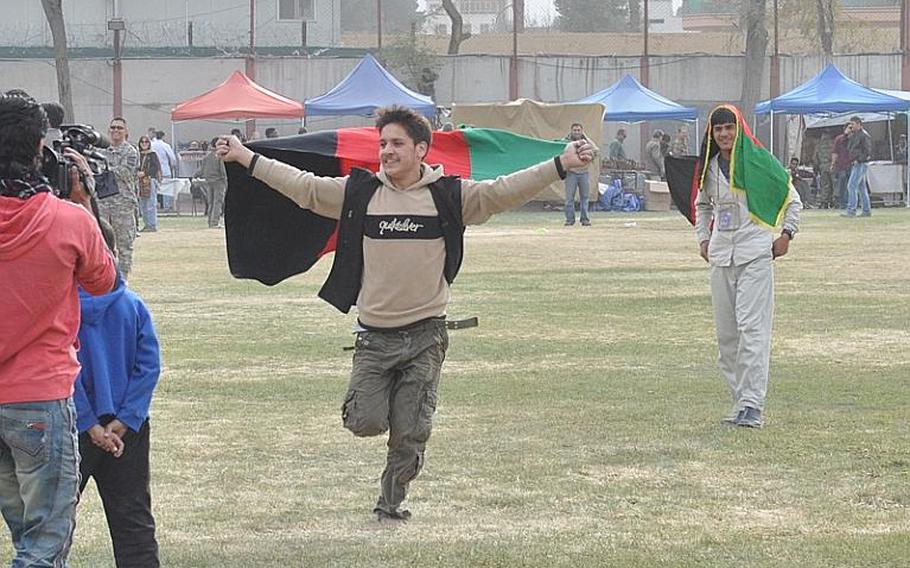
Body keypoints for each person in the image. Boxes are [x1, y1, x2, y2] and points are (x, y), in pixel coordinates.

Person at [216, 105, 594, 524]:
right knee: (364, 421)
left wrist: (561, 164)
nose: (387, 151)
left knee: (411, 432)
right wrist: (246, 157)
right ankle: (391, 407)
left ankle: (390, 502)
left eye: (396, 143)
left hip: (426, 337)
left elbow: (504, 191)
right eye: (382, 144)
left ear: (421, 149)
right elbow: (303, 186)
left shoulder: (450, 197)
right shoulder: (359, 193)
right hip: (374, 338)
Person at [0, 90, 117, 566]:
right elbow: (105, 279)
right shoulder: (68, 220)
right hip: (39, 394)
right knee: (44, 544)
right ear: (37, 149)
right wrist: (82, 198)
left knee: (27, 538)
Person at [694, 105, 802, 429]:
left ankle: (753, 404)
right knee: (727, 336)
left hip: (755, 254)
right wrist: (702, 239)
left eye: (729, 128)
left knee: (752, 331)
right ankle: (739, 402)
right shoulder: (709, 169)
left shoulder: (759, 161)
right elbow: (701, 206)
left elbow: (792, 198)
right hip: (721, 256)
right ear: (712, 134)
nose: (724, 134)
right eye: (718, 130)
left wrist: (786, 234)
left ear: (739, 129)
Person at [74, 273, 161, 568]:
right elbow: (149, 365)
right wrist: (128, 416)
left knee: (54, 520)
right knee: (133, 519)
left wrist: (88, 422)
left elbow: (61, 368)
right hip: (127, 430)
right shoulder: (133, 304)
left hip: (75, 426)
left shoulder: (60, 309)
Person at [100, 117, 141, 278]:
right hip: (102, 204)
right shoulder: (101, 151)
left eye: (119, 128)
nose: (116, 131)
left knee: (124, 245)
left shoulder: (130, 151)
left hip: (122, 205)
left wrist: (103, 170)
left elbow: (124, 172)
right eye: (113, 128)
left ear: (126, 131)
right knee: (101, 244)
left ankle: (122, 279)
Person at [563, 122, 598, 226]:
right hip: (571, 173)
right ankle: (570, 220)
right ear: (571, 131)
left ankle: (585, 219)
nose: (577, 132)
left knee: (585, 198)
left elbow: (596, 150)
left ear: (582, 131)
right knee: (569, 198)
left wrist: (586, 138)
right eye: (575, 130)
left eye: (579, 130)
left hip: (584, 173)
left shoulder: (586, 142)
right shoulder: (566, 142)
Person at [194, 137, 227, 228]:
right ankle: (215, 222)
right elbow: (222, 170)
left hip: (208, 181)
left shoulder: (207, 156)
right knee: (218, 202)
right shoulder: (219, 156)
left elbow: (201, 169)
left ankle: (210, 221)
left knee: (211, 202)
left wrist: (195, 176)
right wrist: (225, 180)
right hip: (218, 181)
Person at [843, 115, 872, 217]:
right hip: (856, 163)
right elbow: (846, 145)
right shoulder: (854, 135)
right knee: (861, 187)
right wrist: (846, 135)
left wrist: (858, 159)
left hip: (860, 163)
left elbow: (867, 151)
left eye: (853, 124)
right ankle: (866, 210)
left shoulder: (864, 135)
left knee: (851, 186)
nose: (851, 126)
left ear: (859, 124)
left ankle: (851, 210)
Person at [137, 135, 162, 233]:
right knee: (143, 204)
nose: (144, 144)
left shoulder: (152, 154)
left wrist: (145, 173)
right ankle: (146, 224)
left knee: (151, 203)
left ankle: (152, 224)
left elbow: (155, 168)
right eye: (142, 142)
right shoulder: (138, 154)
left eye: (146, 142)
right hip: (140, 181)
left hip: (150, 180)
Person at [150, 130, 177, 211]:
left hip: (153, 170)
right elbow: (172, 158)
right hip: (165, 170)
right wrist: (172, 166)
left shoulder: (151, 145)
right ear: (163, 136)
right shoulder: (165, 145)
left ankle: (154, 206)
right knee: (167, 190)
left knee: (154, 190)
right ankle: (167, 206)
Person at [813, 131, 836, 209]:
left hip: (823, 166)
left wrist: (816, 167)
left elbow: (815, 158)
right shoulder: (833, 144)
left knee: (824, 185)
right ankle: (834, 201)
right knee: (834, 184)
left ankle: (824, 202)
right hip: (833, 166)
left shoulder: (819, 145)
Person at [831, 123, 852, 209]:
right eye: (849, 127)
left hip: (852, 165)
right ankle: (843, 204)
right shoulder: (839, 139)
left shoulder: (854, 138)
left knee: (851, 185)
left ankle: (851, 203)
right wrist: (833, 163)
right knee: (842, 185)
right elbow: (835, 152)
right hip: (842, 165)